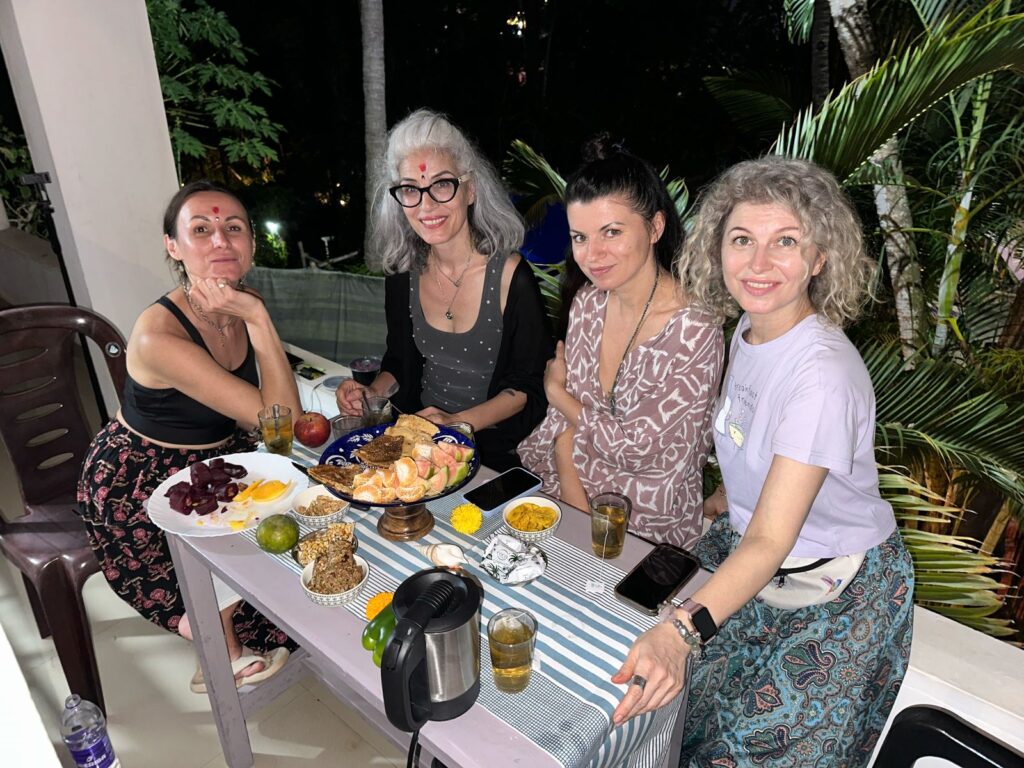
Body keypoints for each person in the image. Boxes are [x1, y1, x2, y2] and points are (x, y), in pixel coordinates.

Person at [611, 157, 915, 767]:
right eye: (742, 240)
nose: (758, 264)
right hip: (761, 557)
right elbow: (758, 445)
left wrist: (680, 633)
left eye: (786, 243)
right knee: (676, 716)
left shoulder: (821, 373)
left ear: (820, 257)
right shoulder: (749, 330)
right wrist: (730, 497)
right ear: (717, 248)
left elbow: (774, 537)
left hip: (841, 592)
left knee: (742, 753)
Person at [77, 181, 302, 691]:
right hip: (141, 486)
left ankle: (221, 618)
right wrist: (261, 320)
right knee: (267, 608)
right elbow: (279, 422)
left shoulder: (239, 304)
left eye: (233, 228)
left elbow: (276, 416)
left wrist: (254, 319)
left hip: (221, 462)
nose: (221, 241)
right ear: (173, 247)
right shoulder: (160, 335)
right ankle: (216, 647)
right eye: (201, 230)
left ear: (250, 242)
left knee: (299, 570)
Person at [517, 140, 723, 548]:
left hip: (648, 530)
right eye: (580, 237)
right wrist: (576, 513)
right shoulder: (589, 303)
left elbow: (639, 453)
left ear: (655, 227)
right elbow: (562, 432)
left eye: (611, 232)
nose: (592, 255)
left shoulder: (693, 332)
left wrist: (556, 393)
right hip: (566, 495)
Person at [335, 109, 551, 471]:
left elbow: (527, 387)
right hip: (419, 440)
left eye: (441, 184)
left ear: (470, 189)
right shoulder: (402, 276)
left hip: (493, 449)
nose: (426, 205)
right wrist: (371, 393)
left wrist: (458, 425)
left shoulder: (512, 276)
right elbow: (400, 365)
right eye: (411, 189)